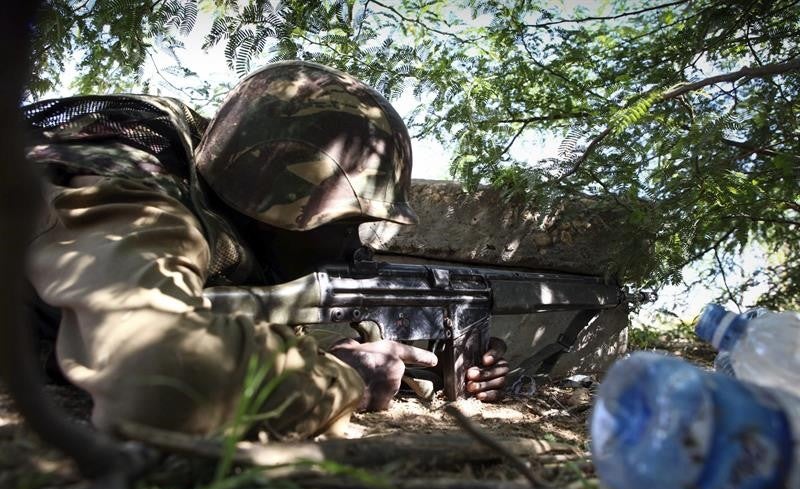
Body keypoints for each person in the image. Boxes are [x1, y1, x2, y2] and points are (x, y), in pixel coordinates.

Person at [23, 61, 509, 439]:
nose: (353, 250)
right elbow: (156, 373)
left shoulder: (223, 203)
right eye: (343, 223)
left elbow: (203, 315)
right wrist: (342, 380)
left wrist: (337, 356)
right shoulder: (137, 199)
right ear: (270, 205)